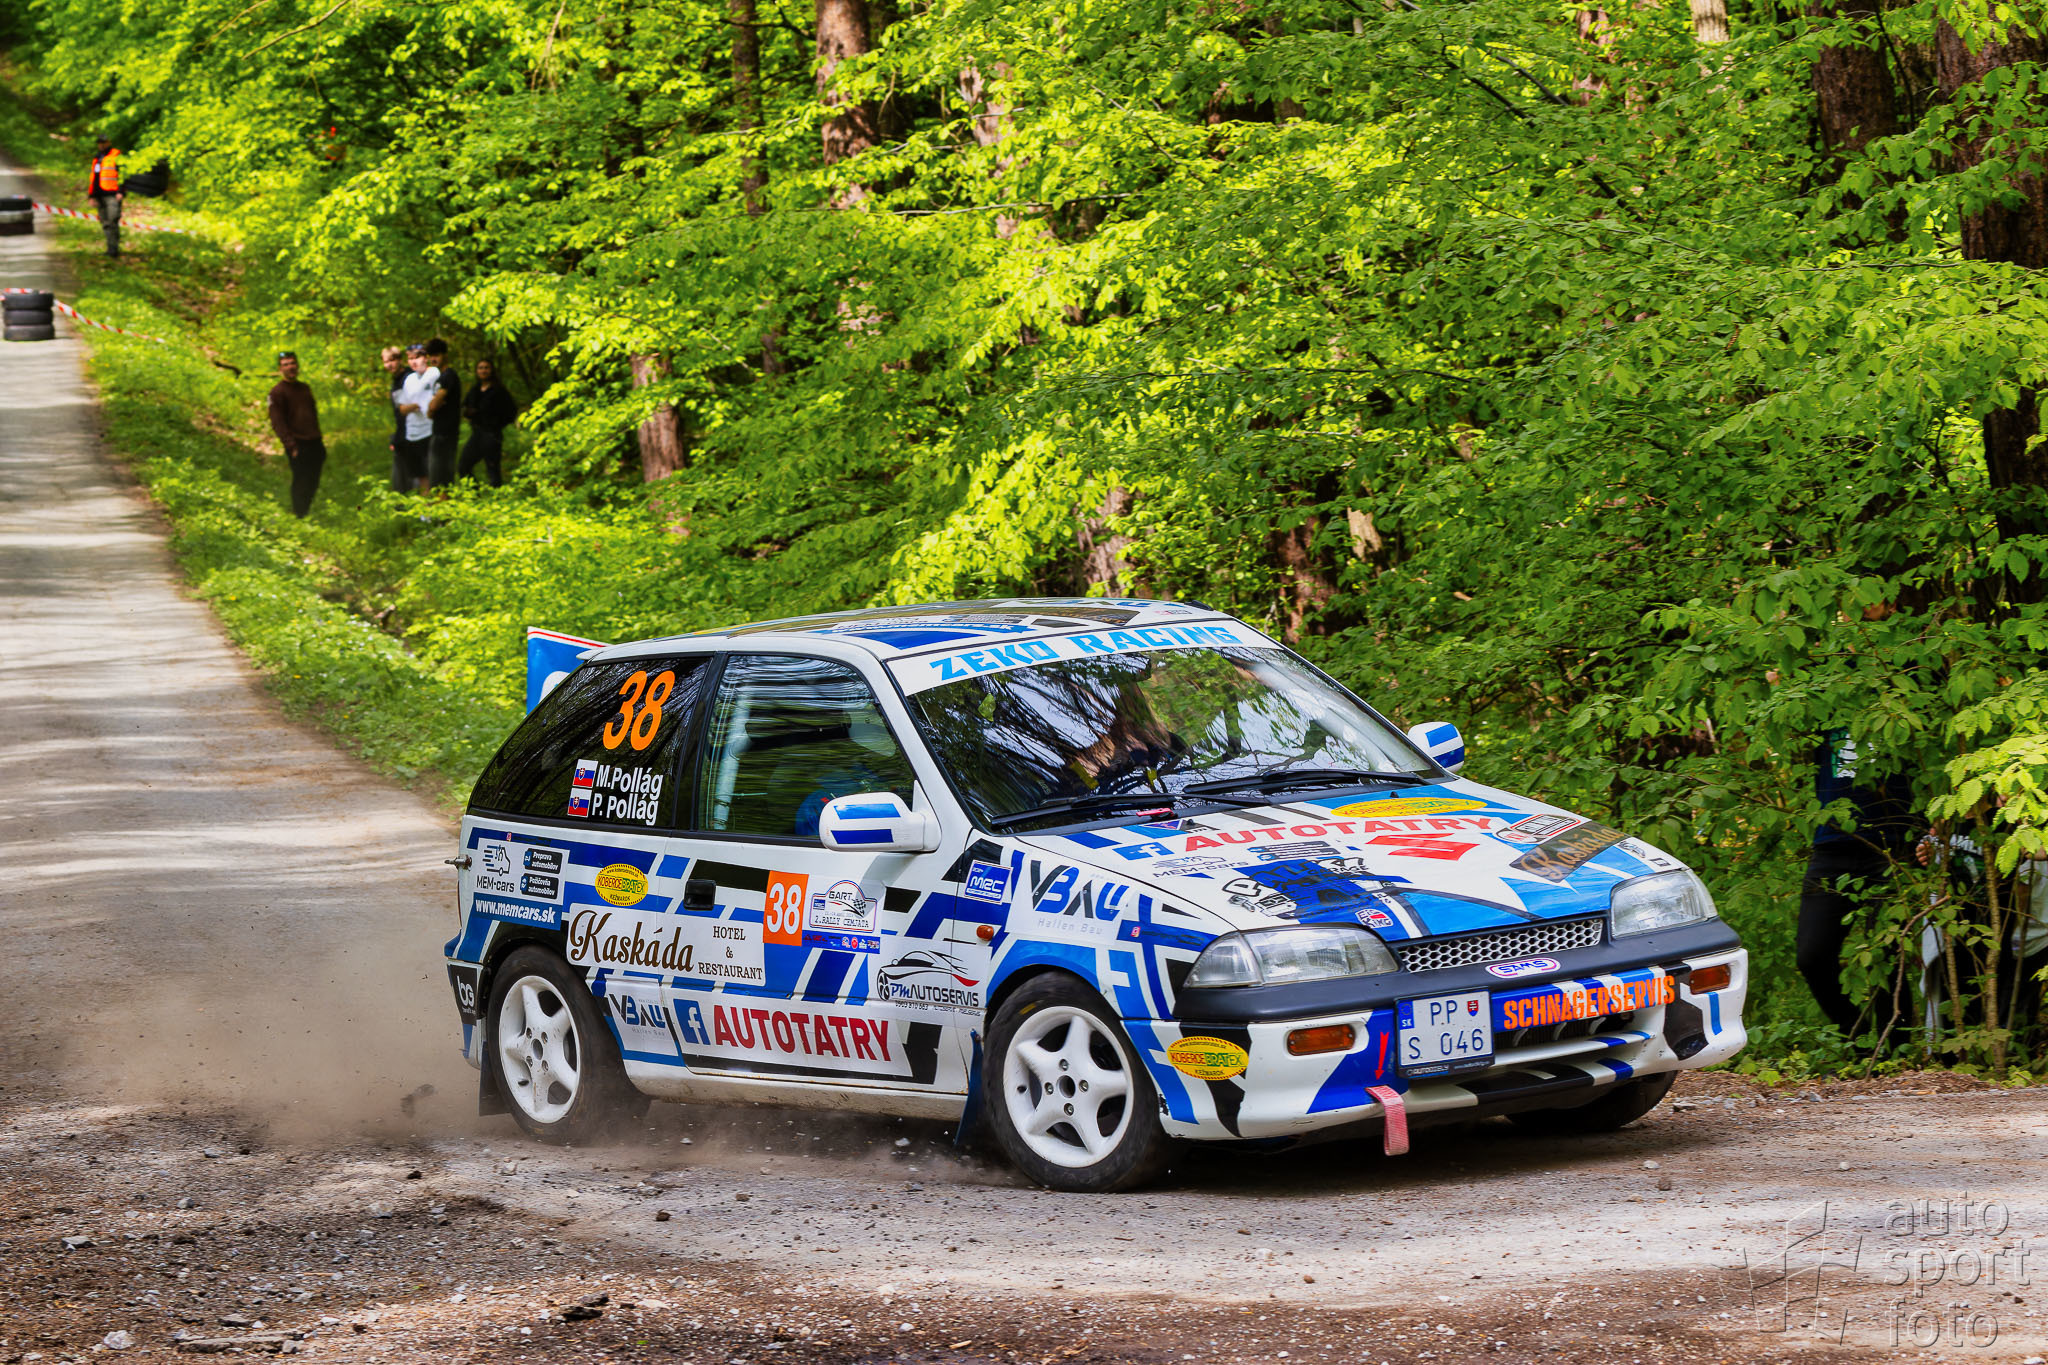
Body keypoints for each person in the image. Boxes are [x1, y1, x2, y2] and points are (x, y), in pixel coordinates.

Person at [1795, 729, 1918, 1042]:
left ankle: (1896, 1051)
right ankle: (1857, 1037)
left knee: (1887, 955)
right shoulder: (1825, 713)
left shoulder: (1906, 707)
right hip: (1831, 845)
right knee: (1812, 956)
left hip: (1891, 844)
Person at [266, 352, 325, 517]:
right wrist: (290, 445)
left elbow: (312, 414)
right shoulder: (277, 392)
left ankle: (305, 510)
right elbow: (278, 422)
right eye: (285, 364)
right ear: (280, 369)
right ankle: (299, 514)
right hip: (297, 443)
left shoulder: (305, 388)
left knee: (313, 479)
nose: (290, 367)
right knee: (301, 479)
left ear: (297, 366)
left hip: (314, 441)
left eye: (292, 363)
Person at [459, 358, 519, 486]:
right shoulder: (475, 389)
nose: (483, 370)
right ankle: (474, 493)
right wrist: (469, 413)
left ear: (492, 370)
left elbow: (511, 411)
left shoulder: (498, 390)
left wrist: (497, 424)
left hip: (492, 434)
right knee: (464, 465)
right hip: (477, 433)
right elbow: (465, 407)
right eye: (480, 368)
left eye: (486, 368)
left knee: (493, 469)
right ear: (477, 371)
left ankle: (496, 496)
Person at [393, 343, 438, 493]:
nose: (413, 361)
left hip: (430, 430)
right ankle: (426, 505)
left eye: (417, 357)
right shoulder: (409, 379)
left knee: (434, 471)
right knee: (420, 474)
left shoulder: (434, 373)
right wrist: (412, 407)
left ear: (425, 358)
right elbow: (402, 408)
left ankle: (439, 504)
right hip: (412, 433)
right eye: (410, 358)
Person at [424, 338, 460, 489]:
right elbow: (433, 407)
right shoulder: (441, 377)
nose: (433, 359)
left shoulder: (448, 376)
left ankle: (444, 502)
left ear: (444, 355)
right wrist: (432, 408)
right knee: (437, 475)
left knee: (441, 476)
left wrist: (432, 407)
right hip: (439, 430)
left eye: (436, 355)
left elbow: (434, 404)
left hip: (446, 432)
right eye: (430, 355)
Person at [84, 137, 122, 258]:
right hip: (99, 196)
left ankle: (114, 249)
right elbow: (94, 178)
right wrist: (91, 196)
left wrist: (121, 191)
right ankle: (110, 248)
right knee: (105, 223)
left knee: (112, 220)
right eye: (99, 143)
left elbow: (123, 175)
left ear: (108, 143)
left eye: (103, 143)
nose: (101, 145)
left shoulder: (116, 156)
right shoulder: (97, 158)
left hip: (112, 195)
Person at [380, 346, 411, 492]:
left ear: (400, 360)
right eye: (386, 362)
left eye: (392, 360)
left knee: (416, 474)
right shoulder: (396, 380)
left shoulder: (409, 378)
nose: (389, 365)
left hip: (413, 432)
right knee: (399, 475)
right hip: (402, 432)